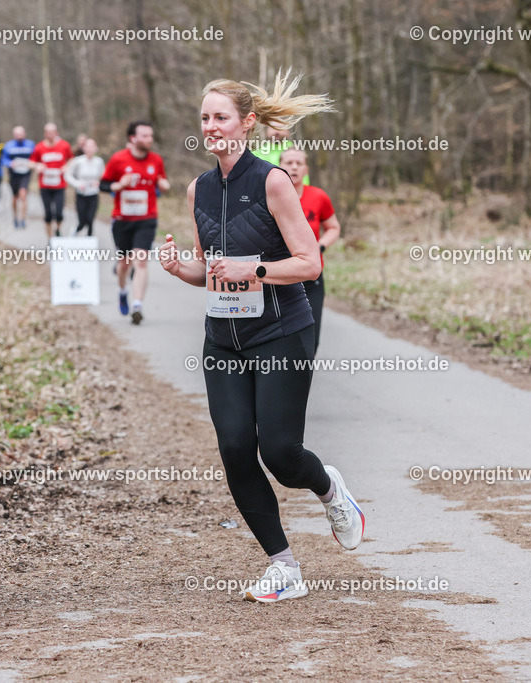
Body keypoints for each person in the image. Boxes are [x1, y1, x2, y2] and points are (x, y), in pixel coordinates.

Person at [159, 70, 363, 603]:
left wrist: (254, 270)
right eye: (204, 118)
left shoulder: (273, 181)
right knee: (234, 448)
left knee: (280, 453)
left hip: (280, 333)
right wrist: (182, 269)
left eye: (220, 117)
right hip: (223, 340)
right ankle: (284, 567)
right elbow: (210, 270)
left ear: (247, 123)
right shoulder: (198, 189)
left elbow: (310, 263)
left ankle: (329, 489)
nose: (210, 126)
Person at [100, 120, 170, 324]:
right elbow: (103, 185)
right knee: (124, 264)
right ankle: (123, 291)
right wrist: (119, 185)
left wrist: (164, 185)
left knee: (140, 260)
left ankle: (137, 305)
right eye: (145, 135)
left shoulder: (156, 160)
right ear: (133, 138)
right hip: (122, 220)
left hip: (147, 218)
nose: (150, 139)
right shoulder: (118, 159)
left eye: (151, 135)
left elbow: (161, 182)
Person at [279, 147, 340, 351]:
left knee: (310, 338)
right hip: (279, 276)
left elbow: (333, 227)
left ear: (306, 169)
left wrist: (320, 246)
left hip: (311, 275)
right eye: (289, 163)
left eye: (299, 163)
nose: (294, 167)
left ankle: (302, 370)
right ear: (279, 167)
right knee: (280, 337)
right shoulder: (270, 196)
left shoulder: (318, 197)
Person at [30, 123, 73, 237]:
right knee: (48, 214)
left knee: (59, 213)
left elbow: (71, 159)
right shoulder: (39, 147)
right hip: (45, 186)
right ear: (45, 133)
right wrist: (37, 166)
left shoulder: (64, 146)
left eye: (52, 132)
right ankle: (50, 238)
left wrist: (66, 166)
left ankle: (58, 230)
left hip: (59, 185)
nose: (50, 135)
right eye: (48, 132)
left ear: (56, 132)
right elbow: (31, 162)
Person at [64, 137, 104, 236]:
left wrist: (99, 183)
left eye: (92, 146)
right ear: (84, 148)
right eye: (88, 146)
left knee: (90, 220)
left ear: (96, 148)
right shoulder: (78, 161)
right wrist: (77, 184)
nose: (90, 149)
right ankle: (74, 232)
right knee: (82, 221)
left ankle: (90, 240)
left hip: (93, 194)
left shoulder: (99, 161)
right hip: (81, 195)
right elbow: (68, 175)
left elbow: (104, 176)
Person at [0, 125, 36, 229]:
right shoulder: (9, 145)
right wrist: (10, 163)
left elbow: (35, 157)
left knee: (23, 195)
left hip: (25, 174)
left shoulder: (30, 144)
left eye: (21, 134)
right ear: (14, 135)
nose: (19, 136)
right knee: (15, 197)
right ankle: (15, 217)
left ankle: (23, 219)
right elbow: (3, 159)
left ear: (24, 134)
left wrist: (32, 163)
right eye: (17, 134)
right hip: (13, 175)